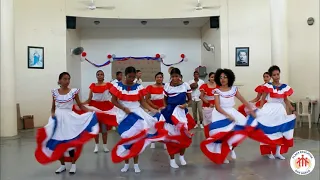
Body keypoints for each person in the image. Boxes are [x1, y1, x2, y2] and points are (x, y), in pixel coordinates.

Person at [35, 72, 99, 174]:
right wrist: (52, 115)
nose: (67, 81)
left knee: (70, 142)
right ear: (59, 80)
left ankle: (73, 164)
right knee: (58, 143)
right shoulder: (55, 92)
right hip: (58, 119)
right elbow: (53, 107)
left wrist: (90, 112)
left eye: (68, 79)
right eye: (65, 79)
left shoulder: (73, 92)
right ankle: (62, 165)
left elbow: (80, 105)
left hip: (69, 118)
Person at [110, 66, 166, 173]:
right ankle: (126, 164)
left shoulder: (139, 87)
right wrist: (124, 108)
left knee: (136, 140)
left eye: (133, 77)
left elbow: (143, 102)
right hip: (124, 115)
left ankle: (136, 164)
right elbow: (113, 101)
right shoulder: (118, 86)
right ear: (125, 75)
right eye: (129, 77)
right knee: (126, 139)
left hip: (136, 115)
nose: (132, 79)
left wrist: (152, 109)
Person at [200, 68, 255, 164]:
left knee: (242, 129)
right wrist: (227, 115)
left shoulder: (234, 89)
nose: (223, 79)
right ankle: (223, 154)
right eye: (221, 77)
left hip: (232, 111)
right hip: (220, 113)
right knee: (221, 135)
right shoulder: (217, 91)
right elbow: (217, 107)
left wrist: (250, 109)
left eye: (225, 77)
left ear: (229, 78)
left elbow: (243, 99)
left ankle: (230, 147)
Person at [253, 65, 296, 160]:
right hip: (269, 109)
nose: (276, 76)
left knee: (280, 131)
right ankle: (269, 152)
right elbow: (263, 99)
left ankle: (277, 152)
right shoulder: (268, 86)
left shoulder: (284, 87)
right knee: (268, 132)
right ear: (271, 76)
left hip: (280, 110)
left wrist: (292, 109)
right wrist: (259, 109)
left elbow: (286, 100)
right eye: (274, 75)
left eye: (278, 74)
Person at [160, 68, 196, 169]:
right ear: (170, 76)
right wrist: (167, 109)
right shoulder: (167, 86)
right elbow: (165, 100)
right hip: (170, 113)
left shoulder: (185, 85)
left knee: (183, 135)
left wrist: (185, 105)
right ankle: (172, 159)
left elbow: (190, 100)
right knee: (171, 137)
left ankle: (181, 156)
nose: (175, 78)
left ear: (180, 76)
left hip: (181, 112)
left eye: (177, 76)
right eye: (173, 76)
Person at [82, 70, 115, 153]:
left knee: (104, 129)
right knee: (95, 128)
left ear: (103, 76)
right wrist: (80, 104)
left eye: (101, 74)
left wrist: (116, 103)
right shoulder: (93, 86)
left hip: (105, 108)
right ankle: (96, 146)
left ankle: (105, 146)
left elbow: (114, 96)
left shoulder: (108, 85)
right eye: (98, 74)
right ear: (96, 76)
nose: (100, 76)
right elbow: (89, 99)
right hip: (95, 107)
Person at [145, 72, 167, 149]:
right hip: (153, 109)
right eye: (157, 77)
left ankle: (164, 141)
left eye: (161, 77)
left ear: (162, 78)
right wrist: (154, 106)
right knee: (153, 125)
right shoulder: (150, 87)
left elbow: (168, 98)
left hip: (164, 109)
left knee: (163, 125)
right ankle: (153, 141)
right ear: (155, 78)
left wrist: (164, 106)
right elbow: (147, 99)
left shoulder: (166, 87)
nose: (159, 78)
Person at [199, 72, 218, 138]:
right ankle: (208, 137)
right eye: (212, 77)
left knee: (215, 122)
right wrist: (208, 103)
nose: (213, 78)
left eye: (214, 77)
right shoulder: (204, 86)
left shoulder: (218, 86)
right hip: (207, 106)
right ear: (209, 78)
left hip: (216, 106)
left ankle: (215, 137)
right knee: (207, 123)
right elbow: (201, 96)